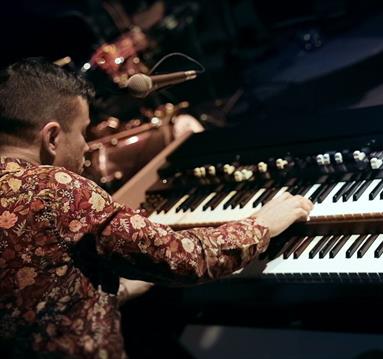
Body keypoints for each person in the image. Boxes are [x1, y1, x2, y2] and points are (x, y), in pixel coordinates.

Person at [0, 58, 313, 359]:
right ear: (52, 137)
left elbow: (32, 304)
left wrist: (116, 292)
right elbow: (183, 257)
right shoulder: (58, 188)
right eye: (83, 131)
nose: (86, 145)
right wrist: (261, 225)